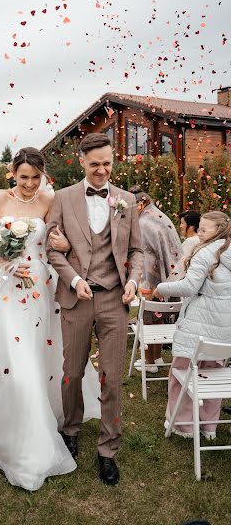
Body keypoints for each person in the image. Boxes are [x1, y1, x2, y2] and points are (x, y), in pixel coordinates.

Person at [0, 147, 101, 492]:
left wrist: (61, 241)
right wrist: (8, 265)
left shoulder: (50, 199)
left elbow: (62, 243)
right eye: (23, 177)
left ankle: (43, 414)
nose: (29, 184)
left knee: (42, 355)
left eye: (35, 177)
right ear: (12, 173)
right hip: (5, 287)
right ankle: (22, 435)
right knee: (15, 361)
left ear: (44, 175)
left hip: (41, 286)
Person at [46, 132, 144, 486]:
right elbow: (52, 249)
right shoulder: (62, 198)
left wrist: (134, 279)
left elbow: (137, 251)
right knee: (71, 371)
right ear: (81, 162)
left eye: (107, 164)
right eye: (95, 164)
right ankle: (71, 429)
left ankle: (108, 451)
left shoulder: (127, 200)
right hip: (77, 298)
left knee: (112, 377)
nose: (102, 170)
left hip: (115, 299)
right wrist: (73, 280)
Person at [155, 211, 231, 439]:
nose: (198, 233)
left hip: (198, 326)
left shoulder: (205, 253)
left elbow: (189, 287)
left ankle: (184, 425)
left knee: (183, 374)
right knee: (213, 373)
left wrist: (162, 288)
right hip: (224, 327)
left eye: (204, 230)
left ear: (218, 231)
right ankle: (209, 426)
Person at [130, 185, 183, 373]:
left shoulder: (144, 223)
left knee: (149, 317)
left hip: (152, 274)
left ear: (140, 204)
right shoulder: (159, 216)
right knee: (158, 315)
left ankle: (150, 362)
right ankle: (158, 357)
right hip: (167, 273)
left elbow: (142, 252)